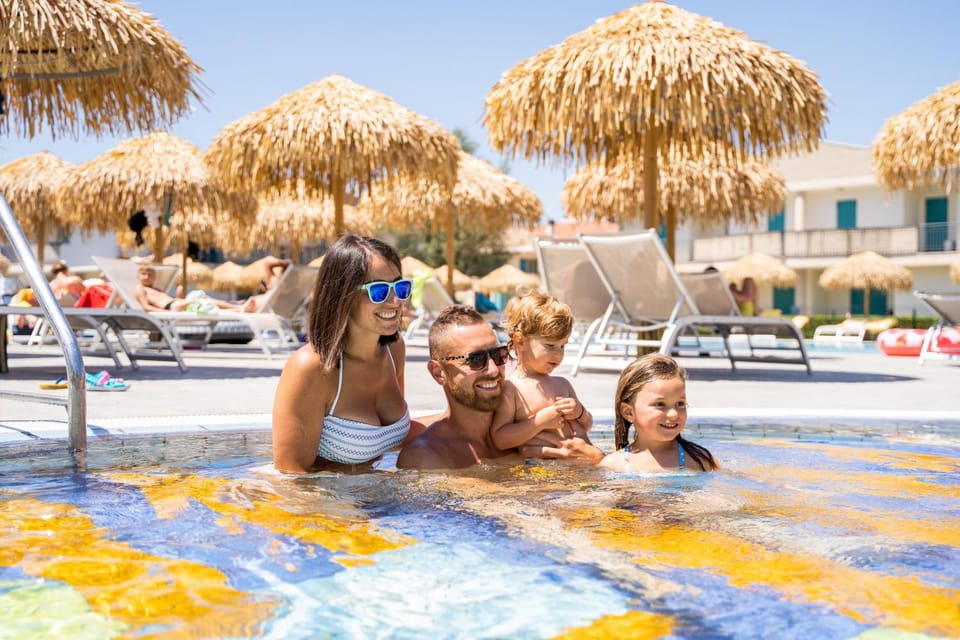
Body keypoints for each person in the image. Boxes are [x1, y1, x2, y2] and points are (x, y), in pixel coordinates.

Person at [272, 234, 420, 473]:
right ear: (344, 295)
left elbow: (392, 440)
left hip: (378, 488)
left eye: (401, 287)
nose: (396, 301)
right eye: (379, 291)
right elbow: (291, 474)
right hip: (328, 495)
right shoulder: (312, 367)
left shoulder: (394, 350)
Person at [397, 304, 601, 470]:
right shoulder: (428, 457)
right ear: (438, 372)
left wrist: (594, 458)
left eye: (498, 355)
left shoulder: (530, 422)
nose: (494, 369)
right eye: (476, 359)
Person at [490, 291, 598, 459]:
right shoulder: (512, 389)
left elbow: (587, 425)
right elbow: (500, 439)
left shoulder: (563, 384)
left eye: (562, 346)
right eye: (550, 345)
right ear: (520, 341)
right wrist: (539, 422)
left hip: (577, 460)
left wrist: (580, 412)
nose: (558, 354)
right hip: (540, 468)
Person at [599, 353, 718, 472]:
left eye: (680, 404)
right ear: (629, 412)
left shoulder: (698, 460)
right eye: (660, 404)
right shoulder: (614, 465)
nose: (674, 414)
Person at [134, 261, 251, 313]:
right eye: (144, 274)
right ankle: (237, 306)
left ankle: (236, 308)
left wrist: (180, 297)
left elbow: (169, 300)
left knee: (205, 301)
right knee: (201, 300)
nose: (147, 277)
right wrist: (165, 312)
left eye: (150, 275)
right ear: (138, 276)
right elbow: (146, 307)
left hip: (175, 303)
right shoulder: (141, 289)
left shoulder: (156, 289)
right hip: (170, 307)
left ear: (154, 277)